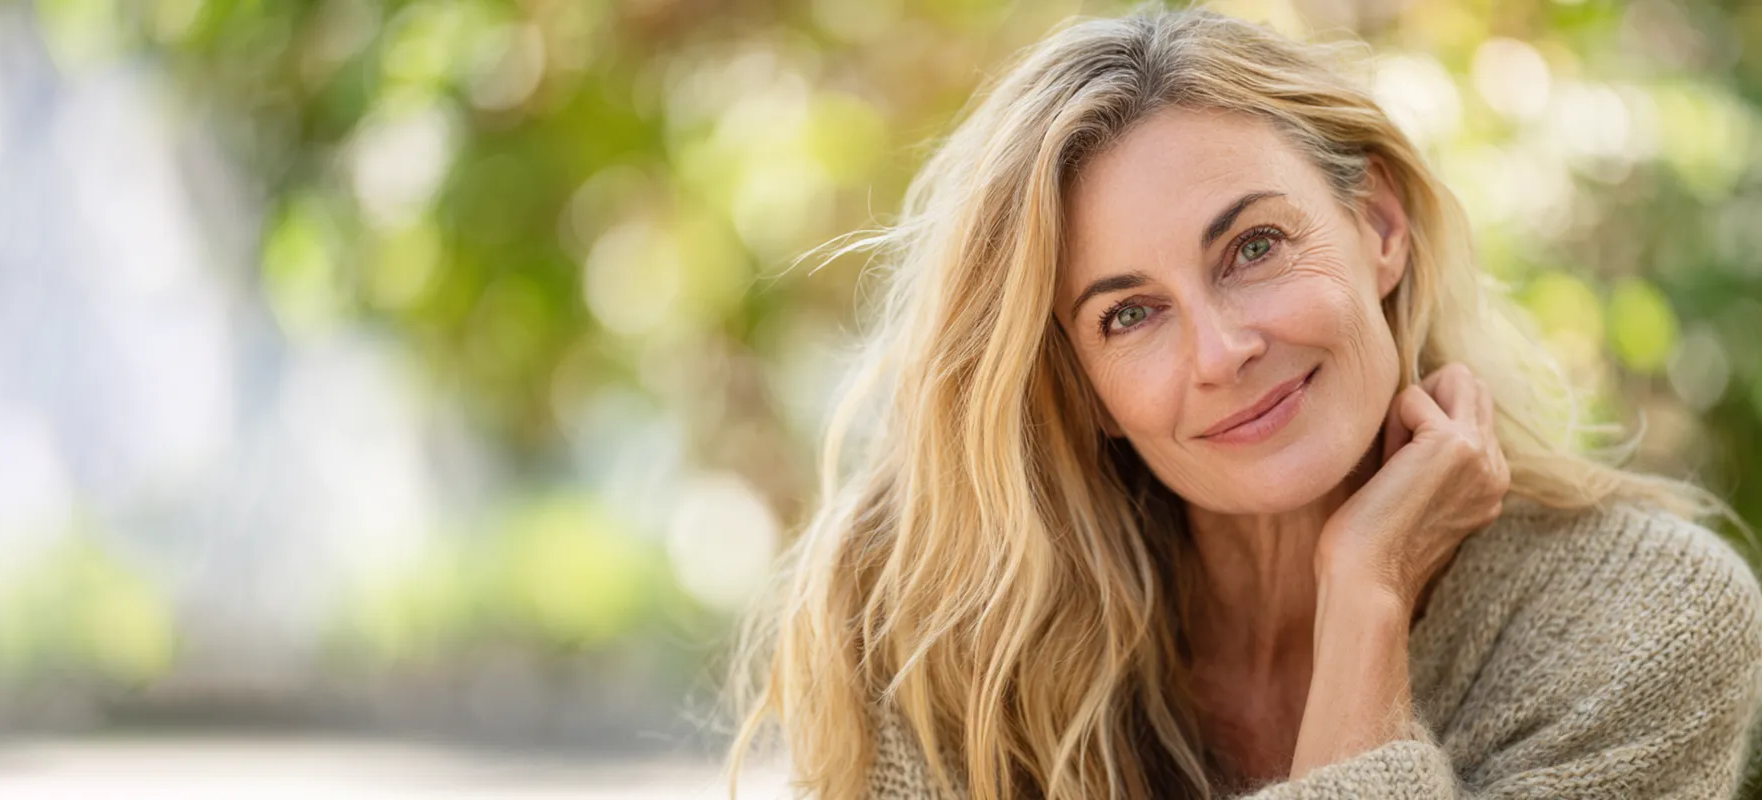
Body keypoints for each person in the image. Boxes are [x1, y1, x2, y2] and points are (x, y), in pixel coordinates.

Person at [723, 7, 1762, 799]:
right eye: (1129, 314)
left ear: (1381, 226)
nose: (1223, 351)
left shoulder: (1647, 620)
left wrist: (1367, 593)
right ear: (1079, 388)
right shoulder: (942, 623)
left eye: (1253, 247)